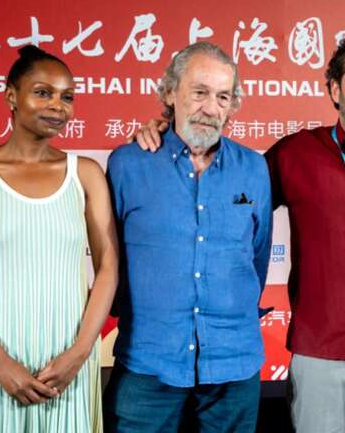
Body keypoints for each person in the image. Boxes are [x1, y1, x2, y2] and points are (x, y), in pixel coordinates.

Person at [133, 33, 345, 432]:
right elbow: (224, 194)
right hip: (319, 354)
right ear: (335, 89)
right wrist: (169, 133)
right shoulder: (295, 153)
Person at [0, 45, 118, 432]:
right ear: (11, 96)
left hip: (68, 366)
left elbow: (107, 268)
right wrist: (2, 364)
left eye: (67, 97)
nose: (58, 106)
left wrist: (80, 353)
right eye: (43, 92)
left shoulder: (85, 174)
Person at [102, 42, 272, 433]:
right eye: (199, 92)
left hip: (233, 365)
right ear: (169, 93)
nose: (210, 108)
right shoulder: (128, 164)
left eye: (223, 96)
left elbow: (257, 258)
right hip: (148, 364)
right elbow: (109, 259)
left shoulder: (254, 168)